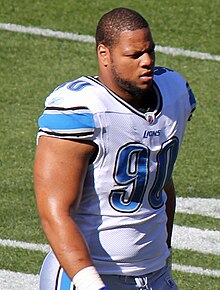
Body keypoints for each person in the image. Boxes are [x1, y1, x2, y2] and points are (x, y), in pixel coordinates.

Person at [34, 7, 196, 290]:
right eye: (134, 55)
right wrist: (90, 284)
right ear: (104, 55)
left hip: (154, 272)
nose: (146, 62)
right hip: (89, 272)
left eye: (150, 52)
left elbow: (160, 182)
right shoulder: (82, 109)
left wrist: (163, 252)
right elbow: (55, 209)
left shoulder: (174, 93)